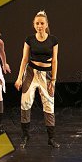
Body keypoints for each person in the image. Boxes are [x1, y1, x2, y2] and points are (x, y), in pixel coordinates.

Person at [14, 11, 60, 149]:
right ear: (34, 25)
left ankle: (51, 138)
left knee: (49, 105)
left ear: (46, 25)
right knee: (25, 102)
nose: (39, 26)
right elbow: (24, 59)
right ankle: (25, 136)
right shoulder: (29, 39)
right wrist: (19, 78)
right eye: (37, 23)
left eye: (42, 23)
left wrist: (53, 79)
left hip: (47, 75)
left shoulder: (53, 40)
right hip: (31, 73)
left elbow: (55, 61)